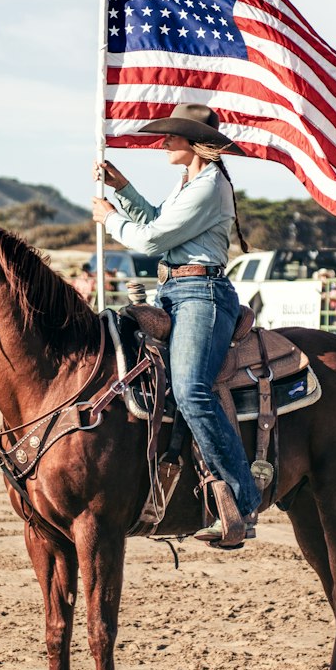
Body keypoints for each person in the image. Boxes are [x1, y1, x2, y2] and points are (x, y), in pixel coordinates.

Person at [91, 102, 262, 545]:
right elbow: (155, 221)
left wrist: (109, 219)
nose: (162, 142)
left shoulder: (208, 187)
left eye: (171, 136)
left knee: (190, 389)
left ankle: (243, 501)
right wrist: (123, 188)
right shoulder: (189, 182)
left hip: (202, 294)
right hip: (173, 292)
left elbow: (150, 239)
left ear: (193, 142)